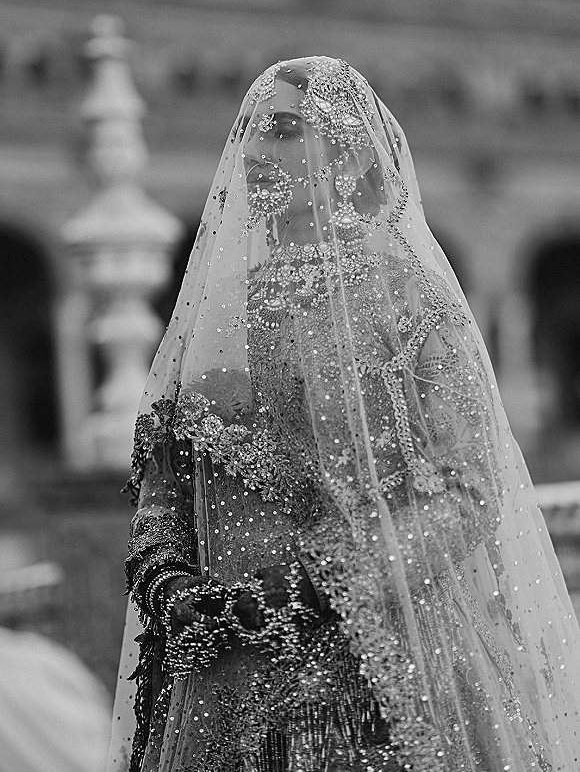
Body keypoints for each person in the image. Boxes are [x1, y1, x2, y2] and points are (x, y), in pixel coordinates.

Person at [108, 57, 580, 772]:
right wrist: (173, 587)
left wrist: (321, 587)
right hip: (220, 676)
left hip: (374, 663)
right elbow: (165, 488)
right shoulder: (213, 314)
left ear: (351, 151)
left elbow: (467, 489)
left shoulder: (408, 301)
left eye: (288, 130)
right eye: (253, 133)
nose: (259, 153)